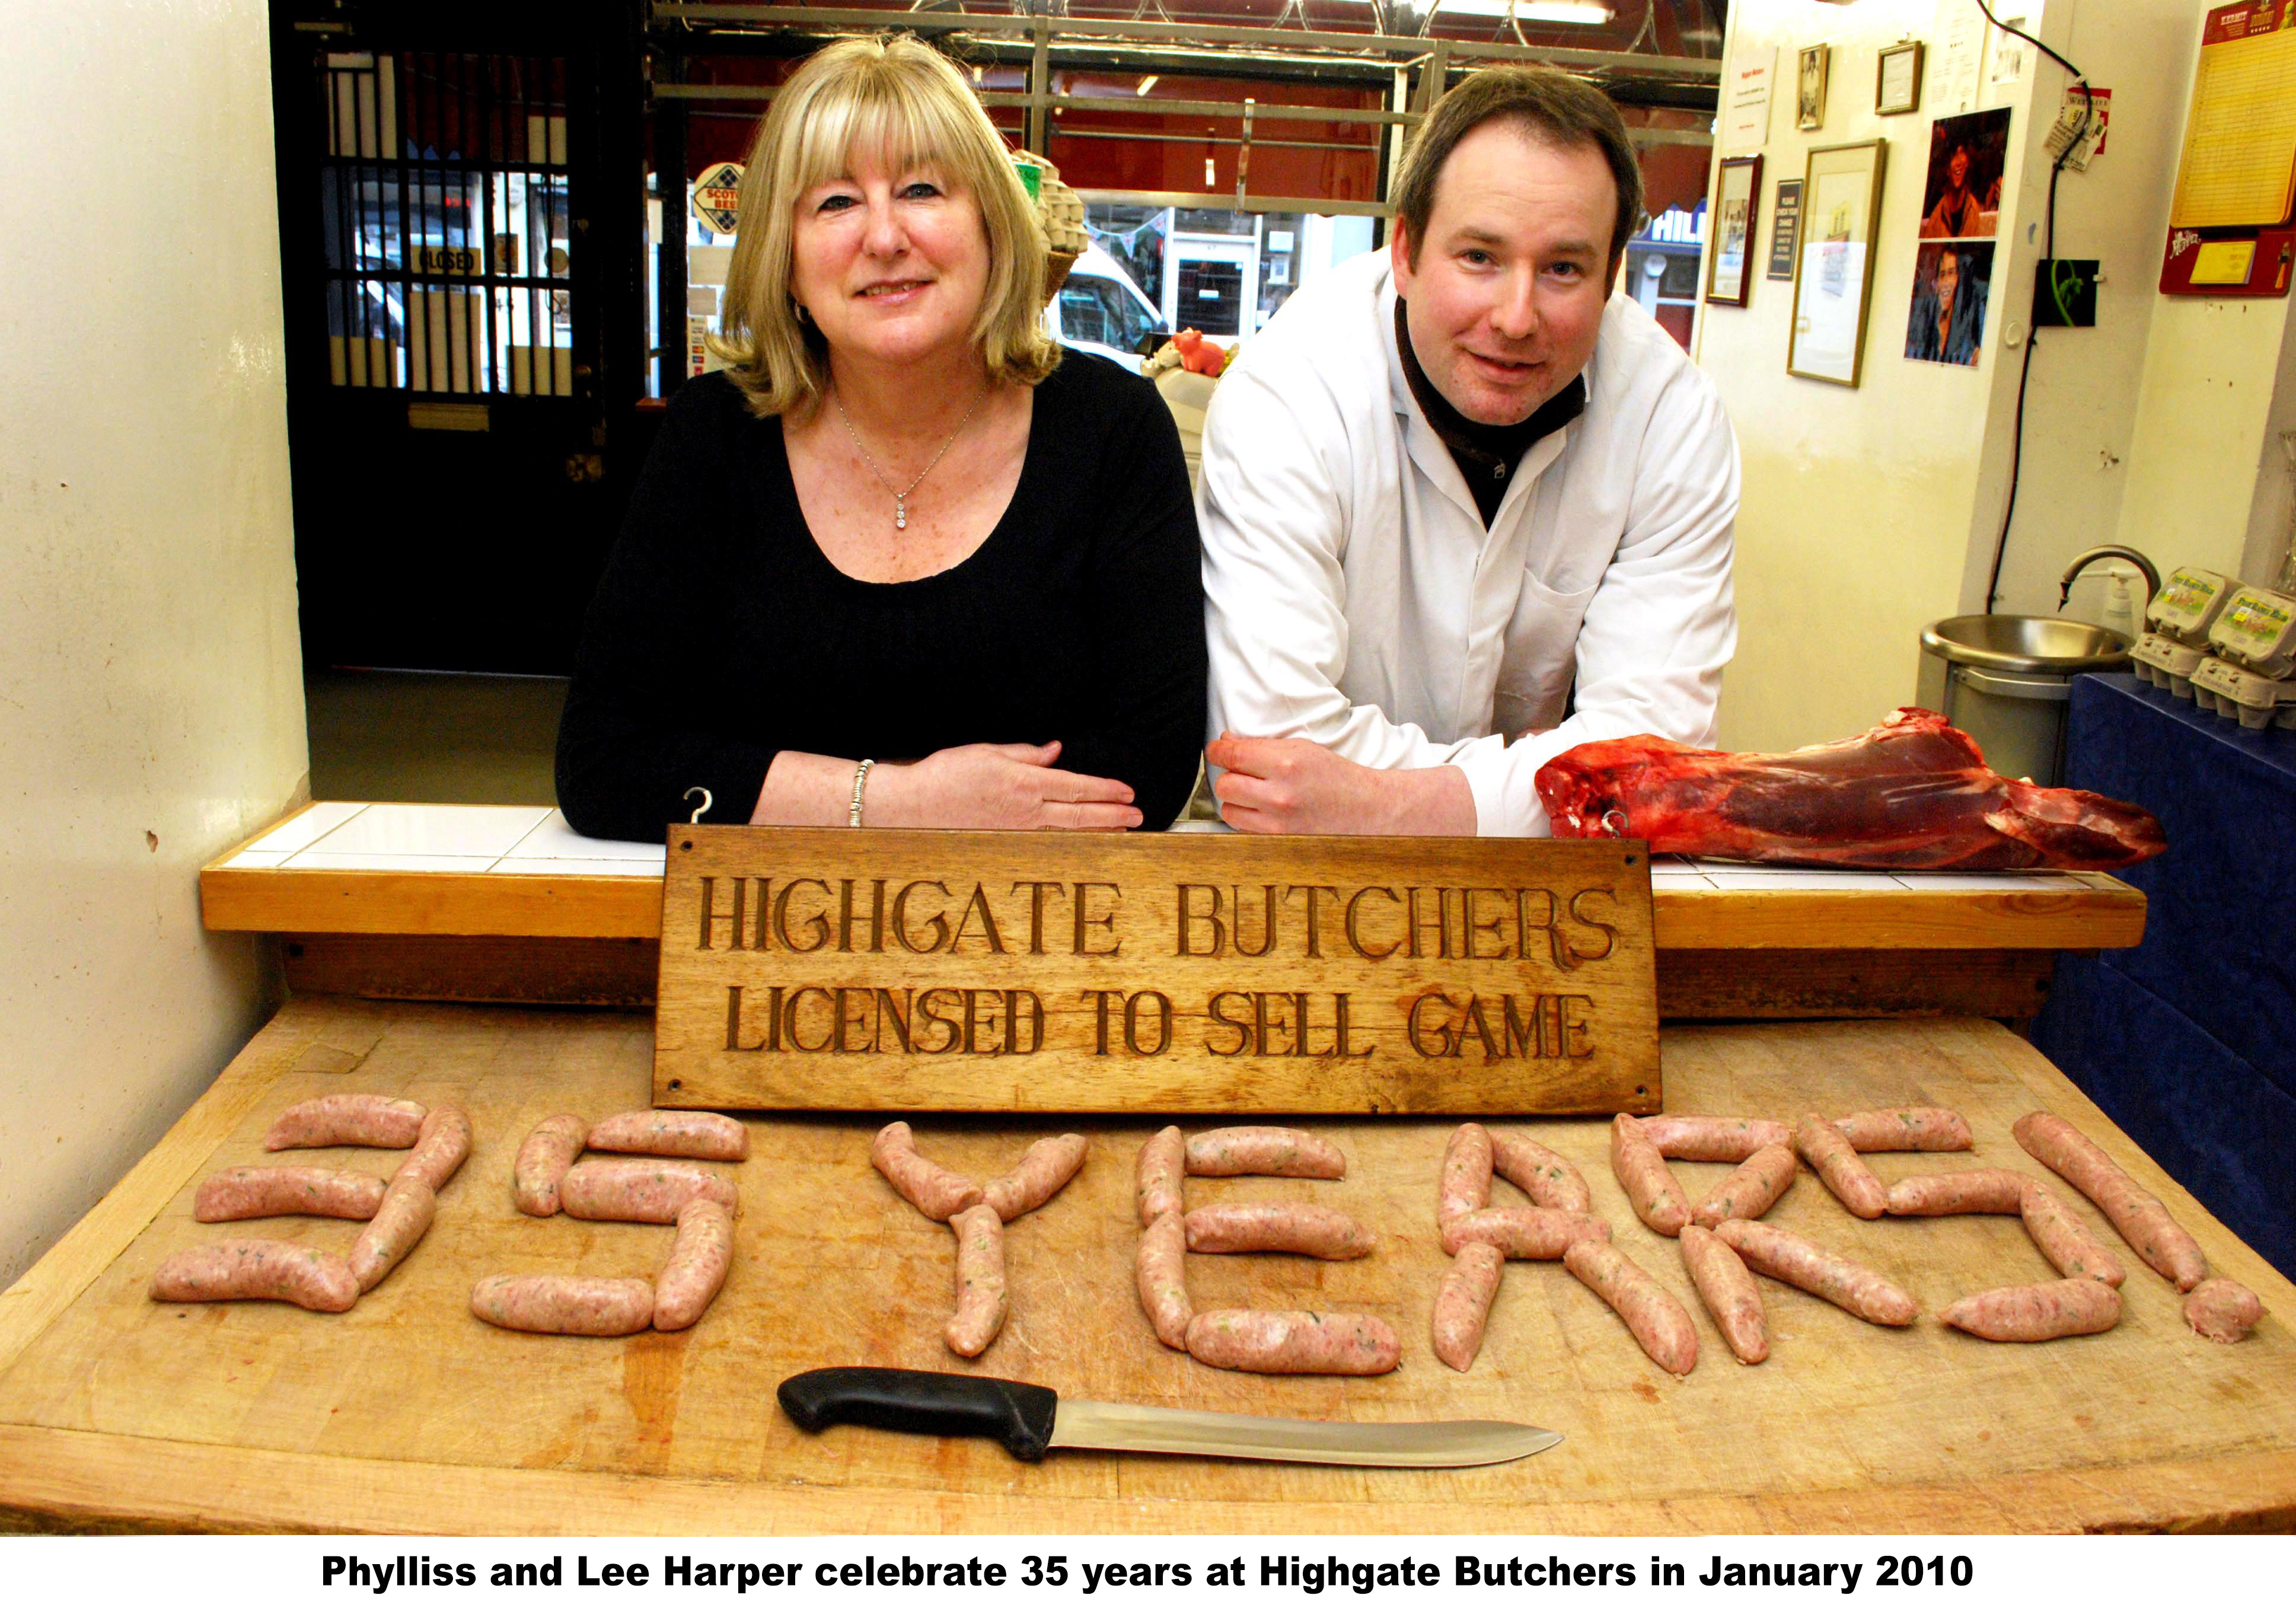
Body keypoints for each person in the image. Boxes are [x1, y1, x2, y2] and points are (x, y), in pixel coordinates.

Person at [556, 34, 1205, 841]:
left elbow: (1151, 768)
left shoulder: (1114, 430)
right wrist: (903, 804)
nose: (885, 237)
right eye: (835, 202)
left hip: (1037, 938)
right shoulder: (713, 435)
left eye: (922, 189)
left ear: (992, 225)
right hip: (760, 942)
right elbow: (604, 760)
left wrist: (780, 790)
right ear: (784, 258)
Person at [1196, 67, 1737, 835]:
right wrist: (1549, 789)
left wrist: (1384, 805)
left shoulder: (1670, 418)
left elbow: (1657, 761)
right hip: (1315, 890)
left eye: (1563, 269)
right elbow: (1268, 764)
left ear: (1613, 277)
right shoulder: (1287, 394)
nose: (1516, 318)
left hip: (1552, 900)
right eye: (1480, 256)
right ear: (1407, 251)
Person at [1906, 244, 1985, 366]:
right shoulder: (1926, 323)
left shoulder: (1972, 322)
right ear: (1936, 284)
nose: (1946, 283)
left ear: (1960, 278)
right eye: (1942, 275)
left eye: (1951, 273)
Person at [1922, 142, 1983, 240]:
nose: (1959, 162)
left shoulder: (1973, 209)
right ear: (1947, 170)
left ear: (1967, 164)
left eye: (1962, 154)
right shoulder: (1937, 215)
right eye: (1954, 156)